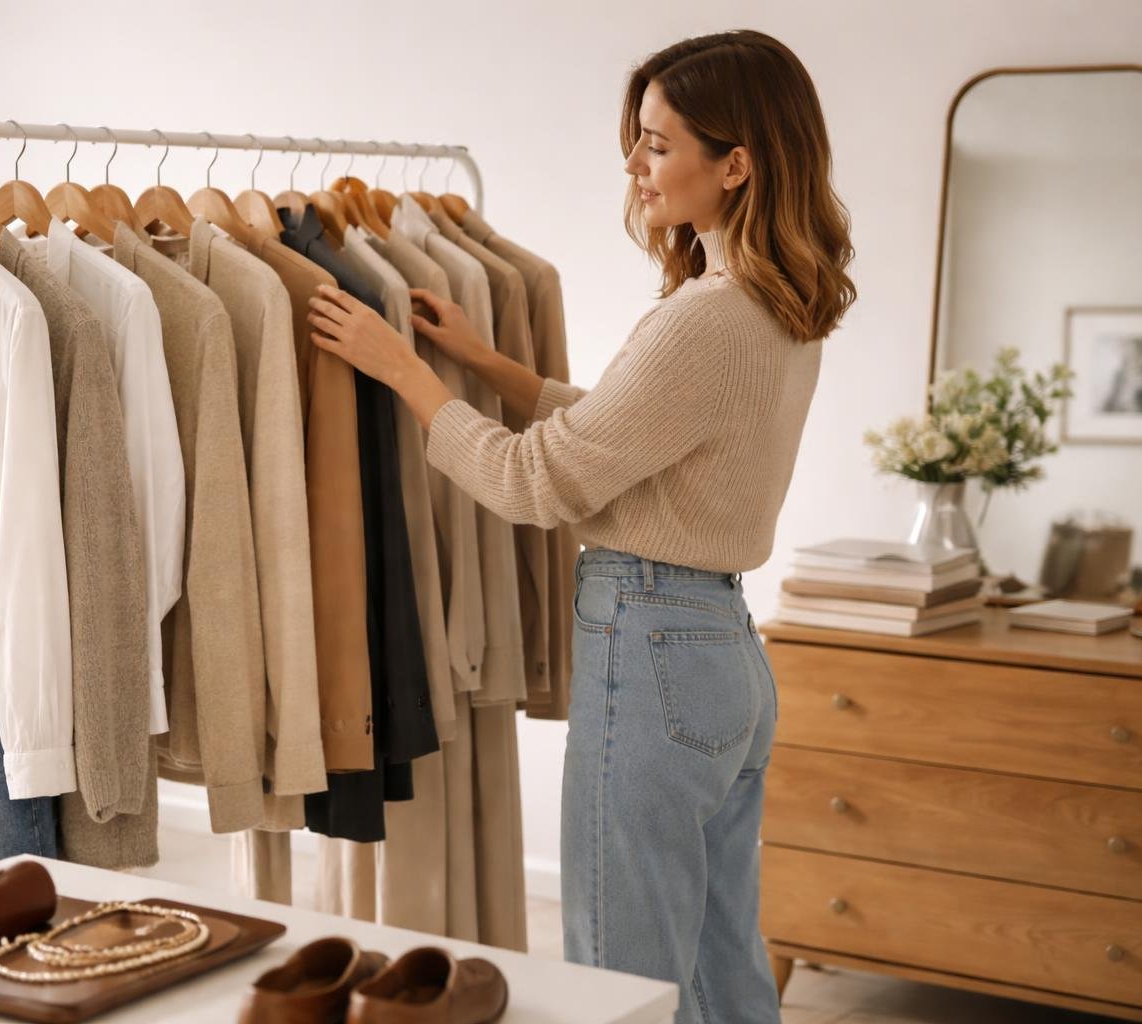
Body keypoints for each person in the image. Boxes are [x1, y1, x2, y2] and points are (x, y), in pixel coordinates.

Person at [306, 28, 855, 1024]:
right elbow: (638, 427)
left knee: (622, 973)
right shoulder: (782, 303)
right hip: (724, 651)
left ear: (735, 164)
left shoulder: (703, 317)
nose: (635, 164)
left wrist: (407, 373)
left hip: (649, 646)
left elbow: (533, 483)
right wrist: (492, 365)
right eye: (636, 139)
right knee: (724, 961)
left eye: (657, 143)